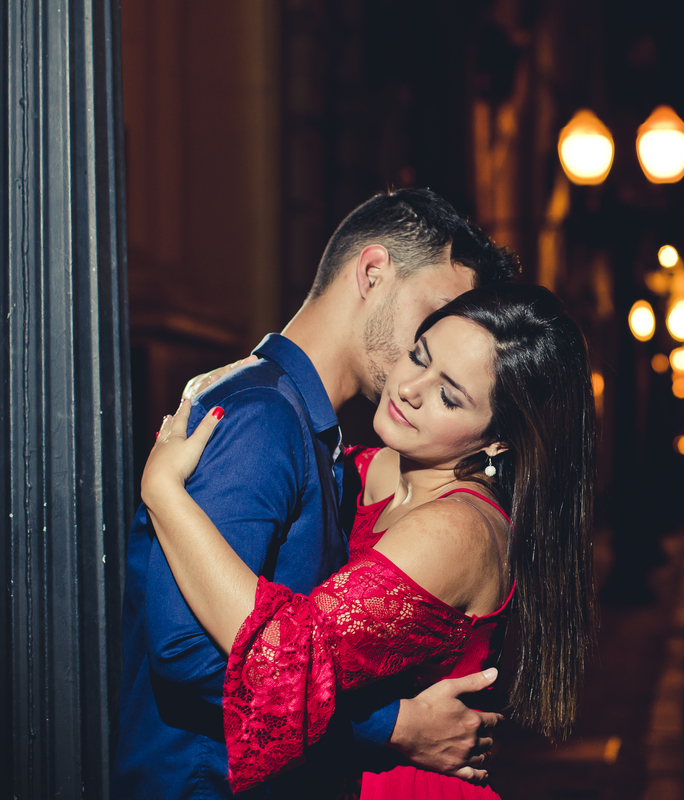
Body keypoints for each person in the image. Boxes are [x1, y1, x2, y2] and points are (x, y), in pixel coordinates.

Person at [114, 189, 519, 800]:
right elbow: (187, 653)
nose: (442, 337)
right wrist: (394, 728)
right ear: (374, 271)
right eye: (437, 314)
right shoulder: (263, 419)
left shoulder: (321, 435)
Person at [139, 284, 597, 798]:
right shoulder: (365, 467)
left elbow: (284, 659)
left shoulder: (456, 530)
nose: (409, 388)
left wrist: (164, 493)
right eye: (418, 355)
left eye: (449, 395)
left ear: (497, 439)